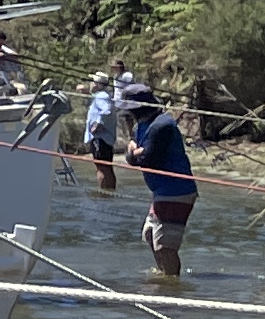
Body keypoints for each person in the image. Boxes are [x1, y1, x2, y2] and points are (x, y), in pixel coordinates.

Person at [114, 74, 195, 280]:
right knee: (150, 235)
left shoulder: (162, 125)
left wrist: (135, 153)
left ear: (139, 109)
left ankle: (172, 282)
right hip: (161, 192)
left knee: (165, 246)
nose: (128, 115)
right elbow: (134, 156)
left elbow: (148, 159)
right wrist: (135, 153)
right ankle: (164, 276)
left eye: (130, 111)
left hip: (175, 191)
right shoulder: (142, 126)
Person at [82, 67, 123, 194]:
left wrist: (97, 124)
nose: (90, 84)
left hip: (100, 138)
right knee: (106, 167)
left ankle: (104, 194)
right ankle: (109, 192)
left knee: (102, 168)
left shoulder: (102, 97)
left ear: (97, 84)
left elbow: (107, 111)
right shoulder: (100, 96)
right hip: (102, 138)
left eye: (92, 82)